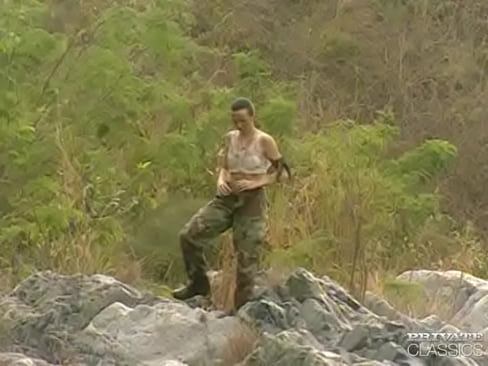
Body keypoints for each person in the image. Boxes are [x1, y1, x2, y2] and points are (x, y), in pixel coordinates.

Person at [172, 97, 290, 312]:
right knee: (189, 235)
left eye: (243, 121)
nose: (239, 125)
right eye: (235, 120)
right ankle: (198, 283)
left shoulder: (264, 141)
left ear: (252, 118)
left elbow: (282, 173)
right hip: (226, 198)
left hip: (251, 201)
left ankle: (240, 311)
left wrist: (258, 181)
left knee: (246, 260)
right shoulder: (230, 139)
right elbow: (224, 165)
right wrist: (220, 180)